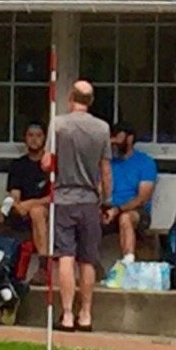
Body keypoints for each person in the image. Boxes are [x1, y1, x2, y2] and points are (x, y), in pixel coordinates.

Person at [50, 81, 111, 333]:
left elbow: (46, 161)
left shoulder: (59, 124)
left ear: (69, 98)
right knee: (87, 259)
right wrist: (106, 200)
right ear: (91, 100)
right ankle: (85, 314)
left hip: (63, 197)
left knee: (66, 256)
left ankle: (66, 314)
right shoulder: (102, 129)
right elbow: (105, 170)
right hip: (89, 200)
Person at [105, 121, 158, 265]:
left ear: (129, 138)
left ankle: (128, 263)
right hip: (109, 208)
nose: (113, 141)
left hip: (136, 211)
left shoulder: (145, 162)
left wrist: (118, 209)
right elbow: (100, 191)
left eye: (118, 137)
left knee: (125, 218)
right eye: (111, 137)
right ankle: (88, 269)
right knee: (85, 220)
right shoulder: (108, 163)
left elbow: (142, 198)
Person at [2, 122, 53, 256]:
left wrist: (30, 204)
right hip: (22, 207)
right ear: (25, 138)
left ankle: (43, 262)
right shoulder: (18, 164)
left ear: (45, 139)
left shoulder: (52, 164)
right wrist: (17, 205)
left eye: (38, 135)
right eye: (30, 135)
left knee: (36, 211)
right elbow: (15, 193)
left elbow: (55, 196)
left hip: (47, 208)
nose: (34, 139)